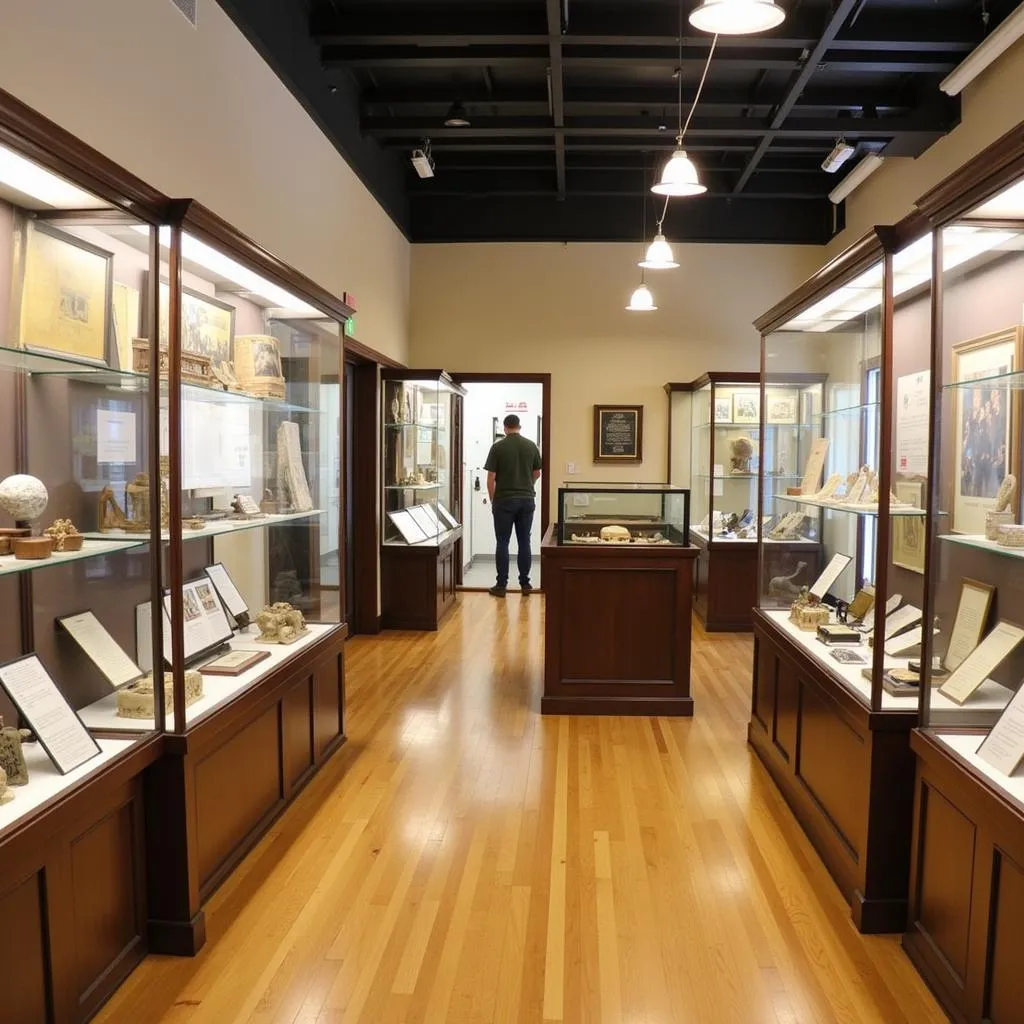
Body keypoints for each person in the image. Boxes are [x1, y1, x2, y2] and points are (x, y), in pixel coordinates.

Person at [484, 414, 542, 596]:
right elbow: (537, 473)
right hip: (526, 500)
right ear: (520, 426)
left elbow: (491, 478)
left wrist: (494, 499)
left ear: (505, 427)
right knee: (524, 540)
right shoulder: (531, 446)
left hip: (504, 500)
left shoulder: (498, 447)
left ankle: (501, 585)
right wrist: (528, 486)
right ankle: (525, 584)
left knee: (503, 541)